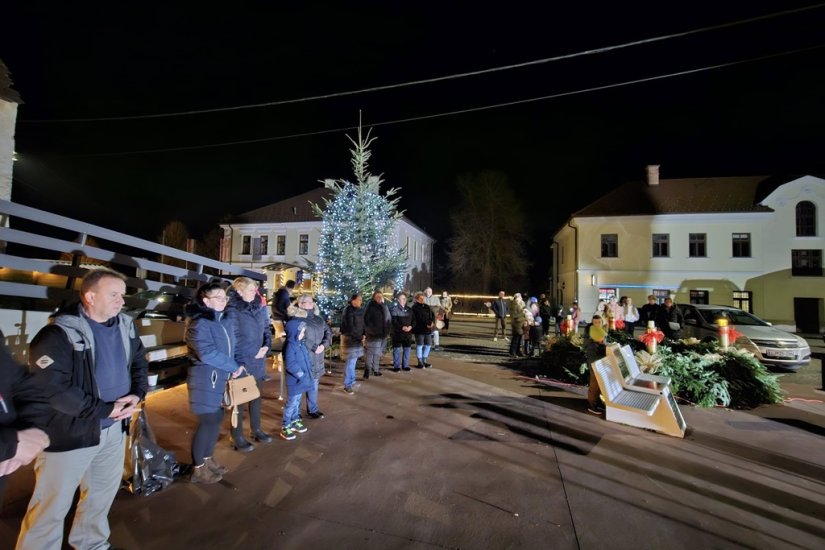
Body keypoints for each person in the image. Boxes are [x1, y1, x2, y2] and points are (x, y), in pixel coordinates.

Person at [16, 268, 148, 549]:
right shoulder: (56, 334)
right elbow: (55, 390)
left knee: (101, 495)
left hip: (112, 431)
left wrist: (137, 394)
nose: (121, 302)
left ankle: (91, 544)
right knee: (51, 506)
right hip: (69, 433)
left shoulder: (125, 326)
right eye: (114, 295)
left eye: (122, 296)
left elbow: (139, 362)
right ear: (89, 296)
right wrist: (104, 410)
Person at [183, 282, 243, 484]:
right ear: (205, 300)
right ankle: (198, 468)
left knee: (215, 420)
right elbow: (206, 353)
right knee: (207, 422)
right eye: (218, 297)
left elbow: (232, 346)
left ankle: (208, 460)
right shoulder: (199, 323)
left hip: (221, 377)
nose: (223, 301)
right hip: (205, 378)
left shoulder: (223, 321)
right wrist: (232, 366)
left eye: (224, 297)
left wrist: (235, 364)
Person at [0, 331, 50, 501]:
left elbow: (24, 385)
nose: (122, 302)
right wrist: (9, 444)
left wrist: (33, 427)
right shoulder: (56, 336)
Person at [226, 277, 273, 452]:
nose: (256, 293)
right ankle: (236, 435)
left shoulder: (259, 307)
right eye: (252, 290)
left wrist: (266, 346)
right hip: (242, 361)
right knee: (238, 400)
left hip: (258, 360)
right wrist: (237, 362)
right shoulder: (232, 309)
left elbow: (267, 330)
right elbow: (232, 337)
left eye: (256, 290)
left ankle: (256, 429)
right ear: (239, 291)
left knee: (256, 397)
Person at [290, 294, 331, 419]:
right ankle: (294, 413)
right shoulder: (296, 319)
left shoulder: (319, 319)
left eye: (311, 302)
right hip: (303, 357)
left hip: (317, 356)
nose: (311, 304)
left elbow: (328, 332)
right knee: (299, 385)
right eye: (307, 302)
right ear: (300, 304)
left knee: (314, 384)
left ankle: (313, 409)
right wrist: (314, 347)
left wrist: (323, 345)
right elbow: (299, 338)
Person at [280, 319, 314, 440]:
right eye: (301, 332)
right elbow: (290, 364)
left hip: (301, 381)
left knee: (297, 402)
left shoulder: (300, 344)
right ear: (294, 332)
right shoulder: (290, 346)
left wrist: (310, 370)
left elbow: (306, 359)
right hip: (295, 382)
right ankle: (285, 425)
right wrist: (302, 375)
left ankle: (294, 421)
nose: (303, 334)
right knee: (291, 403)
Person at [340, 293, 365, 394]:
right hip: (351, 339)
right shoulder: (348, 310)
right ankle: (347, 384)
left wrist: (364, 334)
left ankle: (352, 379)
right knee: (350, 362)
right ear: (353, 300)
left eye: (361, 300)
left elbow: (363, 323)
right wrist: (359, 336)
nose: (360, 301)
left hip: (357, 338)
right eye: (359, 299)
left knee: (353, 361)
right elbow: (350, 327)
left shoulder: (360, 310)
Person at [583, 315, 608, 415]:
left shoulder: (599, 330)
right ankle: (592, 404)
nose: (597, 324)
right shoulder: (591, 332)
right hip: (594, 359)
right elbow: (594, 345)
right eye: (595, 322)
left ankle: (597, 402)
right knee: (595, 382)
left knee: (599, 382)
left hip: (600, 359)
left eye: (599, 322)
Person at [363, 290, 391, 378]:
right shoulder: (370, 306)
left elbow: (388, 319)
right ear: (374, 297)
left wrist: (388, 331)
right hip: (373, 334)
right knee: (371, 352)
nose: (379, 298)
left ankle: (376, 369)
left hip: (383, 334)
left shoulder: (384, 306)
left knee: (378, 353)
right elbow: (366, 320)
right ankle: (367, 370)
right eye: (377, 296)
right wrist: (370, 330)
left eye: (381, 296)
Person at [390, 292, 414, 372]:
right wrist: (402, 327)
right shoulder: (394, 309)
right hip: (398, 333)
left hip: (408, 334)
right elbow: (394, 321)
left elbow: (414, 320)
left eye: (405, 298)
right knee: (397, 349)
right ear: (398, 300)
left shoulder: (409, 309)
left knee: (407, 349)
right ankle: (396, 366)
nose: (404, 300)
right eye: (402, 298)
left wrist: (411, 326)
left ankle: (405, 365)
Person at [411, 291, 435, 368]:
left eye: (423, 298)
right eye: (421, 299)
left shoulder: (427, 306)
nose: (422, 300)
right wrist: (428, 323)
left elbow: (432, 315)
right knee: (420, 345)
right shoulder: (415, 307)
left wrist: (432, 322)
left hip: (427, 329)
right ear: (417, 299)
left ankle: (425, 360)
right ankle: (420, 362)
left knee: (428, 345)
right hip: (419, 329)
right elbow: (419, 318)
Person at [509, 293, 527, 357]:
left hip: (521, 323)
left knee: (519, 338)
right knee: (516, 338)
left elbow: (524, 312)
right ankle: (513, 352)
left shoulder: (521, 303)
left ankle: (517, 351)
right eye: (520, 297)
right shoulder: (514, 305)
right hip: (516, 323)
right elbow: (514, 315)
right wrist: (522, 313)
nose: (521, 298)